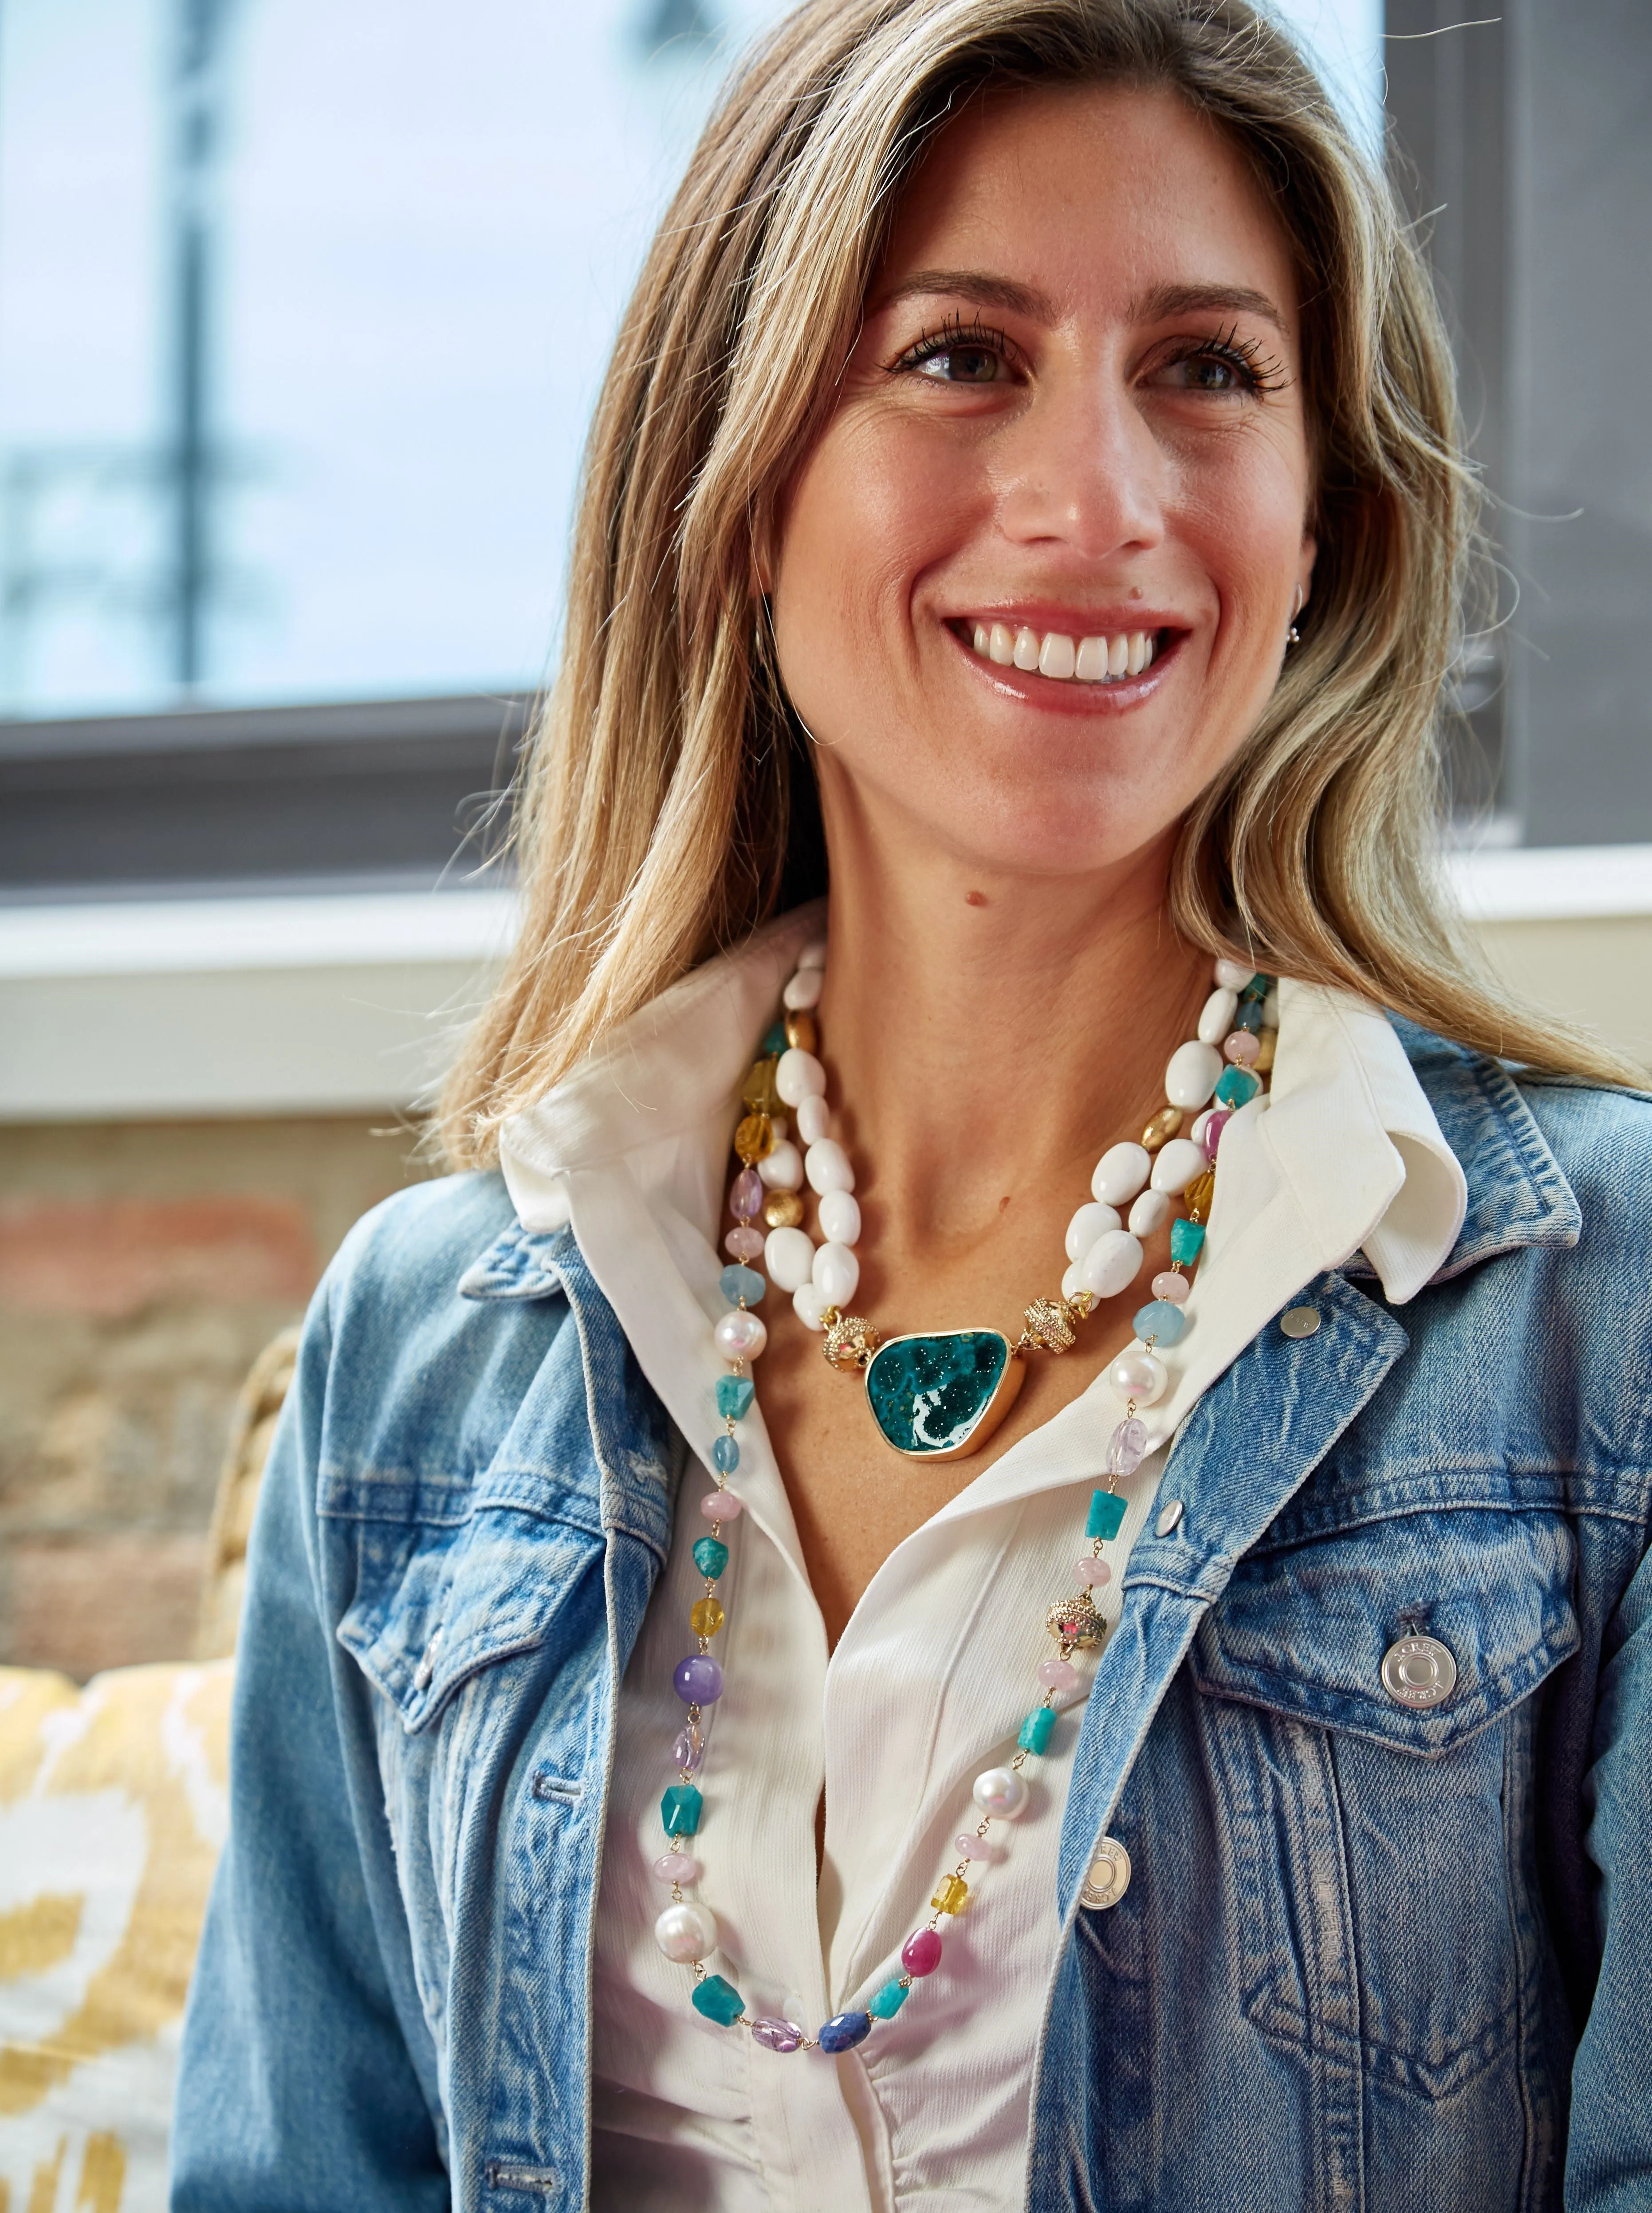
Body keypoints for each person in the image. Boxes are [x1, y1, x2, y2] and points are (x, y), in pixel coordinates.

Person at [170, 1, 1652, 2206]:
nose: (1095, 501)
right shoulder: (420, 1348)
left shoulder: (1586, 1313)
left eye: (1206, 369)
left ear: (1325, 522)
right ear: (747, 483)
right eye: (959, 357)